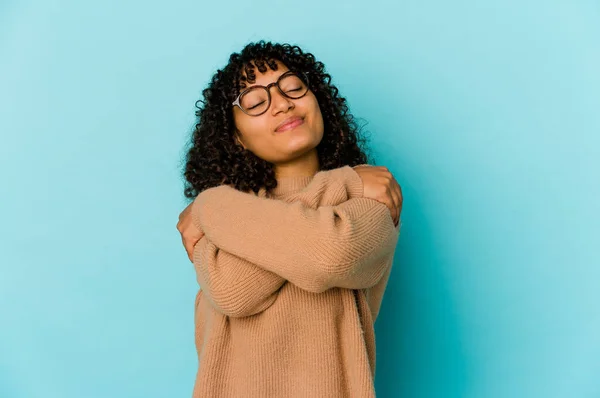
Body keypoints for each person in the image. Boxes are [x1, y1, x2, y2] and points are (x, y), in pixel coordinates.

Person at [176, 40, 403, 397]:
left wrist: (209, 207)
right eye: (254, 101)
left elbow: (329, 254)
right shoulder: (357, 188)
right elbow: (232, 290)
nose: (282, 103)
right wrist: (345, 181)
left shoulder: (373, 200)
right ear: (237, 138)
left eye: (294, 87)